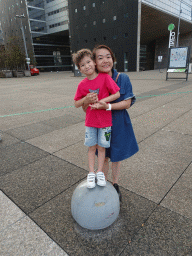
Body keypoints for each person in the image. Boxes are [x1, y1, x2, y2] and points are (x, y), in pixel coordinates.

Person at [82, 45, 139, 201]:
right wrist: (86, 101)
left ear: (113, 59)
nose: (105, 60)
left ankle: (115, 184)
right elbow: (84, 108)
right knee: (103, 154)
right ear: (94, 62)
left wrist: (107, 106)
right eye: (100, 58)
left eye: (108, 56)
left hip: (119, 123)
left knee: (116, 156)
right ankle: (103, 182)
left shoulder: (122, 78)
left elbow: (127, 102)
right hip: (99, 123)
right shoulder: (93, 80)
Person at [72, 49, 120, 188]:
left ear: (93, 62)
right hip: (90, 122)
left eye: (88, 62)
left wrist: (103, 102)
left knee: (102, 148)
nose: (87, 66)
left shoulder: (105, 78)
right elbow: (76, 103)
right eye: (82, 65)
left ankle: (100, 172)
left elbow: (116, 94)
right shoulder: (82, 85)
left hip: (105, 122)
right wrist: (86, 99)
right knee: (92, 148)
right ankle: (91, 173)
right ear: (79, 69)